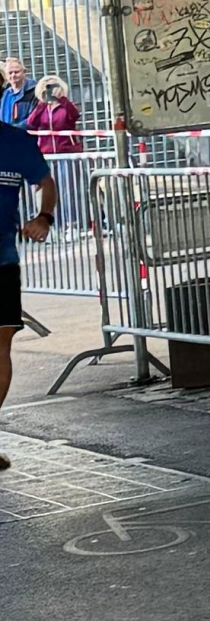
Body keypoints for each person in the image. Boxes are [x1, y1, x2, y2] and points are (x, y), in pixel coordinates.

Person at [0, 66, 58, 471]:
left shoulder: (16, 141)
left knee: (1, 343)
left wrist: (44, 217)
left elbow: (45, 182)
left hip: (2, 260)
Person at [26, 76, 84, 234]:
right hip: (47, 155)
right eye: (47, 87)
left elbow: (74, 116)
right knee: (48, 191)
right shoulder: (42, 107)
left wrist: (62, 99)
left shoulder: (66, 106)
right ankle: (54, 226)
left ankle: (72, 224)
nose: (50, 89)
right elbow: (31, 123)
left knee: (68, 190)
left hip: (66, 154)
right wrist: (42, 103)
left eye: (53, 86)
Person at [0, 58, 38, 128]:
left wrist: (13, 129)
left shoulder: (35, 92)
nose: (13, 75)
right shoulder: (5, 93)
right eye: (10, 73)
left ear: (24, 72)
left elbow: (34, 119)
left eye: (16, 72)